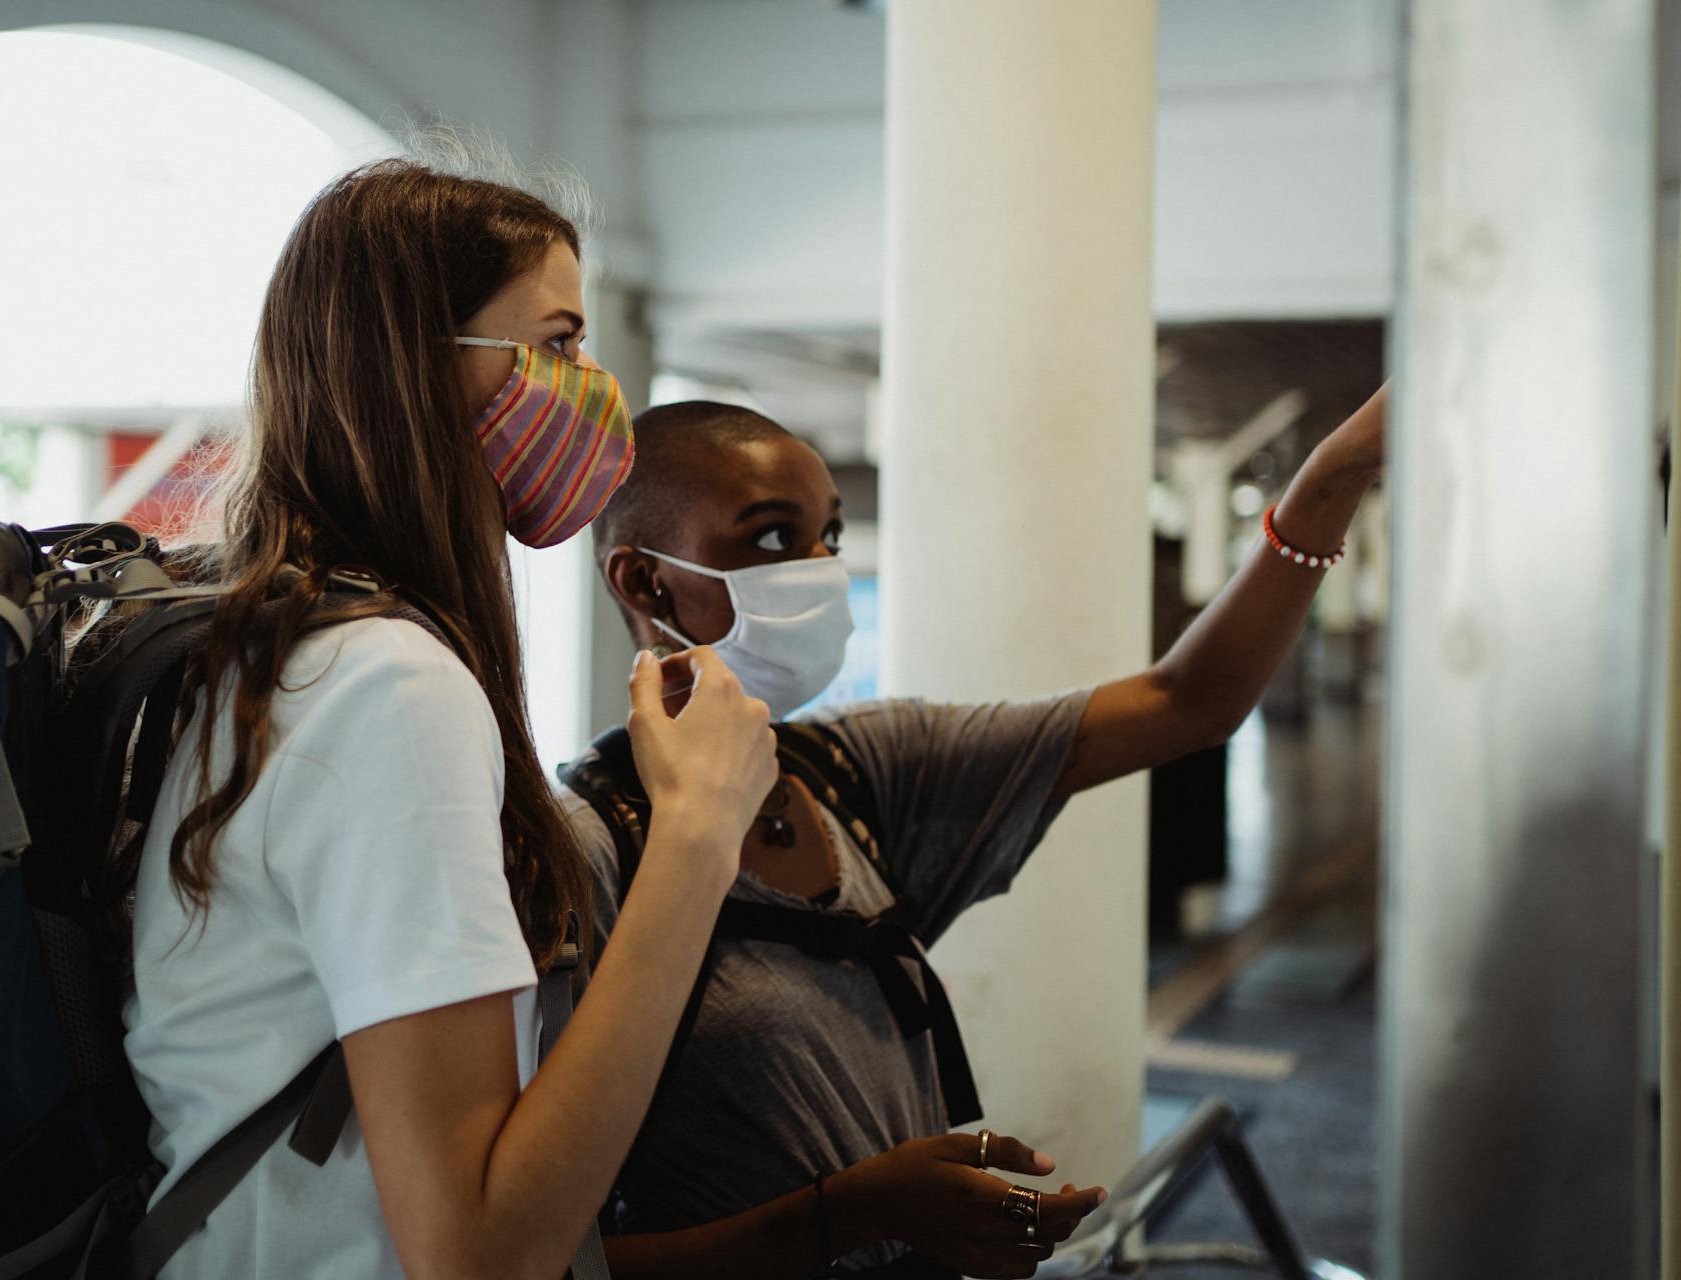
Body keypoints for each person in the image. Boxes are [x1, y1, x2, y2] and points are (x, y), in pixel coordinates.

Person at [120, 160, 778, 1279]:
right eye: (560, 345)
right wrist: (699, 832)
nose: (593, 389)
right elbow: (476, 1250)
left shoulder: (267, 646)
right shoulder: (383, 687)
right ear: (416, 371)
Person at [565, 388, 1387, 1279]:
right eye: (771, 537)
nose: (817, 567)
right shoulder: (585, 856)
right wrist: (853, 1213)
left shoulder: (860, 771)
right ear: (645, 580)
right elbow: (546, 1252)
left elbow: (1183, 701)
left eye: (828, 539)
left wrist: (1325, 487)